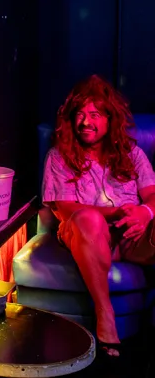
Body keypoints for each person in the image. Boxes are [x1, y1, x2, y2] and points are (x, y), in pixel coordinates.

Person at [42, 75, 155, 358]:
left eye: (94, 114)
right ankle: (105, 315)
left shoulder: (133, 154)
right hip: (85, 236)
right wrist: (117, 211)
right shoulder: (59, 156)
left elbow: (152, 195)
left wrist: (144, 212)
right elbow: (64, 208)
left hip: (130, 235)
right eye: (80, 114)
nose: (85, 122)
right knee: (89, 218)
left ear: (109, 119)